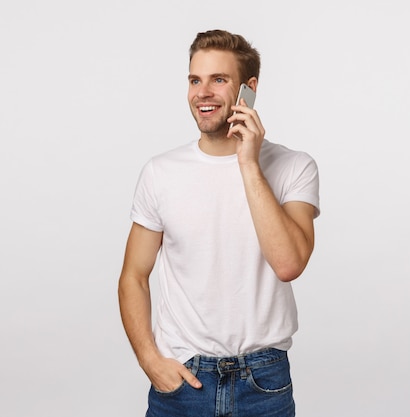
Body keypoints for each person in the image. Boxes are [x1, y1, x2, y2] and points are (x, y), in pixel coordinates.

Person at [118, 29, 320, 417]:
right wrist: (149, 360)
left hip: (263, 382)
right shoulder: (160, 173)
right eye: (195, 80)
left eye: (218, 80)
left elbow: (288, 263)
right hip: (184, 381)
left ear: (250, 89)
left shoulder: (295, 167)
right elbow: (133, 276)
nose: (202, 93)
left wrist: (247, 162)